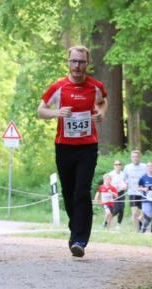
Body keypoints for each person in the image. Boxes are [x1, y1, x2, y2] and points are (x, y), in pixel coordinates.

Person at [37, 45, 107, 257]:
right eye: (74, 61)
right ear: (68, 62)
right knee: (68, 193)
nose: (77, 66)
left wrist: (100, 114)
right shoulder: (58, 87)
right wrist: (57, 112)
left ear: (88, 63)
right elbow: (40, 111)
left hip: (87, 146)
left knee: (82, 191)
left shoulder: (96, 86)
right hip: (64, 147)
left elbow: (103, 102)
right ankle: (76, 228)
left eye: (81, 62)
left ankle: (79, 239)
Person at [122, 149, 146, 230]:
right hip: (132, 192)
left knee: (144, 213)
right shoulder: (127, 167)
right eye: (133, 157)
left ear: (140, 157)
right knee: (134, 213)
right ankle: (137, 231)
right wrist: (125, 185)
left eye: (136, 157)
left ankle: (140, 222)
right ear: (131, 158)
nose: (135, 158)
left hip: (143, 193)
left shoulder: (145, 166)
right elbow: (124, 179)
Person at [108, 159, 128, 229]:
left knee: (122, 209)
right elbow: (107, 185)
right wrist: (112, 189)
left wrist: (125, 186)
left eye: (119, 164)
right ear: (114, 166)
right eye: (116, 164)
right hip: (114, 193)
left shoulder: (123, 174)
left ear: (121, 166)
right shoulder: (110, 174)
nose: (118, 166)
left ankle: (118, 224)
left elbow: (126, 183)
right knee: (116, 209)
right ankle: (107, 220)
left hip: (121, 192)